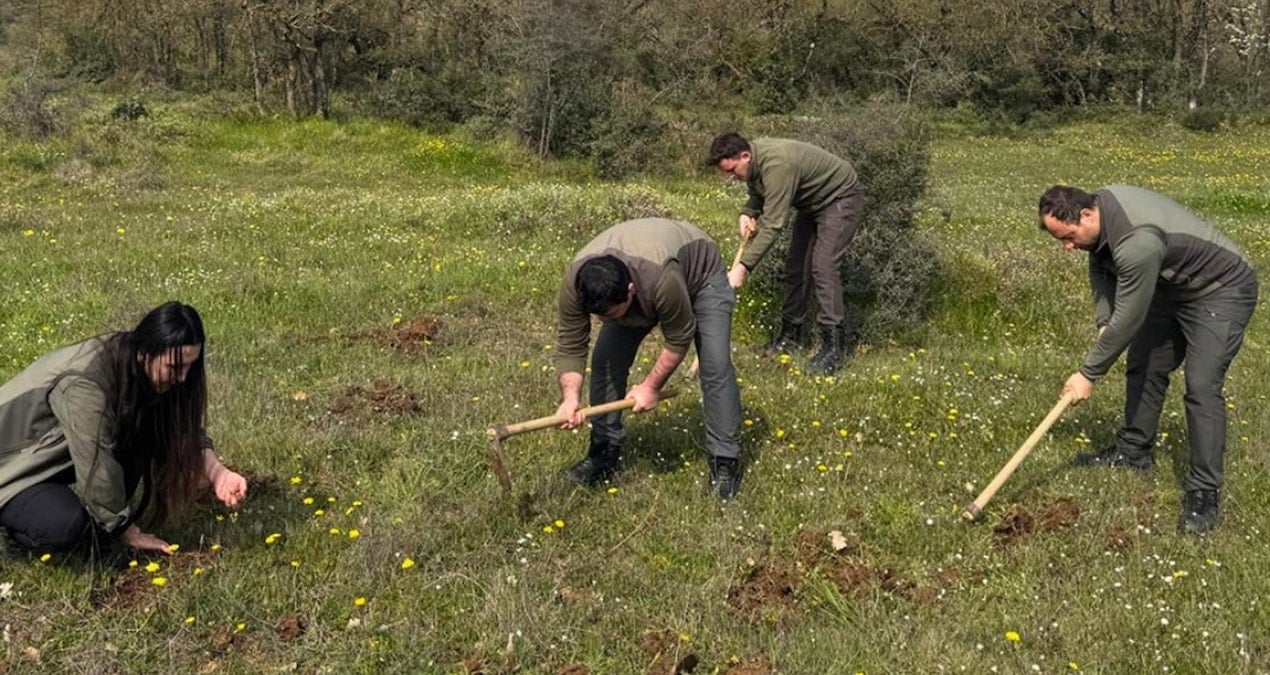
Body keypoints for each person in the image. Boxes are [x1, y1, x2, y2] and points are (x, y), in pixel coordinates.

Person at [1038, 185, 1258, 534]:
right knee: (1145, 362)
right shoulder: (1099, 218)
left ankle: (1204, 489)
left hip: (1221, 289)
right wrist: (1104, 321)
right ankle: (1134, 452)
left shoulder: (1136, 242)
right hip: (1172, 287)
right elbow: (1100, 267)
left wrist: (1088, 373)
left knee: (1202, 385)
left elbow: (1130, 318)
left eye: (1068, 237)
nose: (1067, 247)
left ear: (1086, 215)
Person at [0, 302, 248, 557]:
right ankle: (18, 534)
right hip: (9, 471)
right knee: (65, 527)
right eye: (175, 368)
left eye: (189, 367)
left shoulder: (137, 365)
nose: (183, 377)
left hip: (40, 461)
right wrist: (126, 531)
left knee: (139, 434)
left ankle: (99, 523)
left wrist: (218, 473)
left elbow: (178, 429)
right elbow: (96, 459)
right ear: (146, 352)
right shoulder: (86, 386)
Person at [555, 218, 744, 500]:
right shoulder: (576, 281)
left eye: (609, 314)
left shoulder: (662, 280)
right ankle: (603, 454)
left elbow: (679, 336)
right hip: (645, 280)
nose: (602, 321)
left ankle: (724, 462)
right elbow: (571, 343)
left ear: (630, 291)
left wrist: (651, 386)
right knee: (605, 360)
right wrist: (570, 398)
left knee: (715, 366)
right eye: (598, 315)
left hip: (701, 276)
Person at [707, 132, 865, 374]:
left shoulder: (778, 164)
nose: (731, 177)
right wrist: (748, 211)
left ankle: (834, 348)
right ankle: (791, 337)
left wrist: (743, 267)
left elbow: (773, 224)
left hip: (840, 198)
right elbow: (759, 192)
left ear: (745, 155)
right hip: (811, 203)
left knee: (823, 266)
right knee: (796, 267)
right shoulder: (754, 162)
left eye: (732, 171)